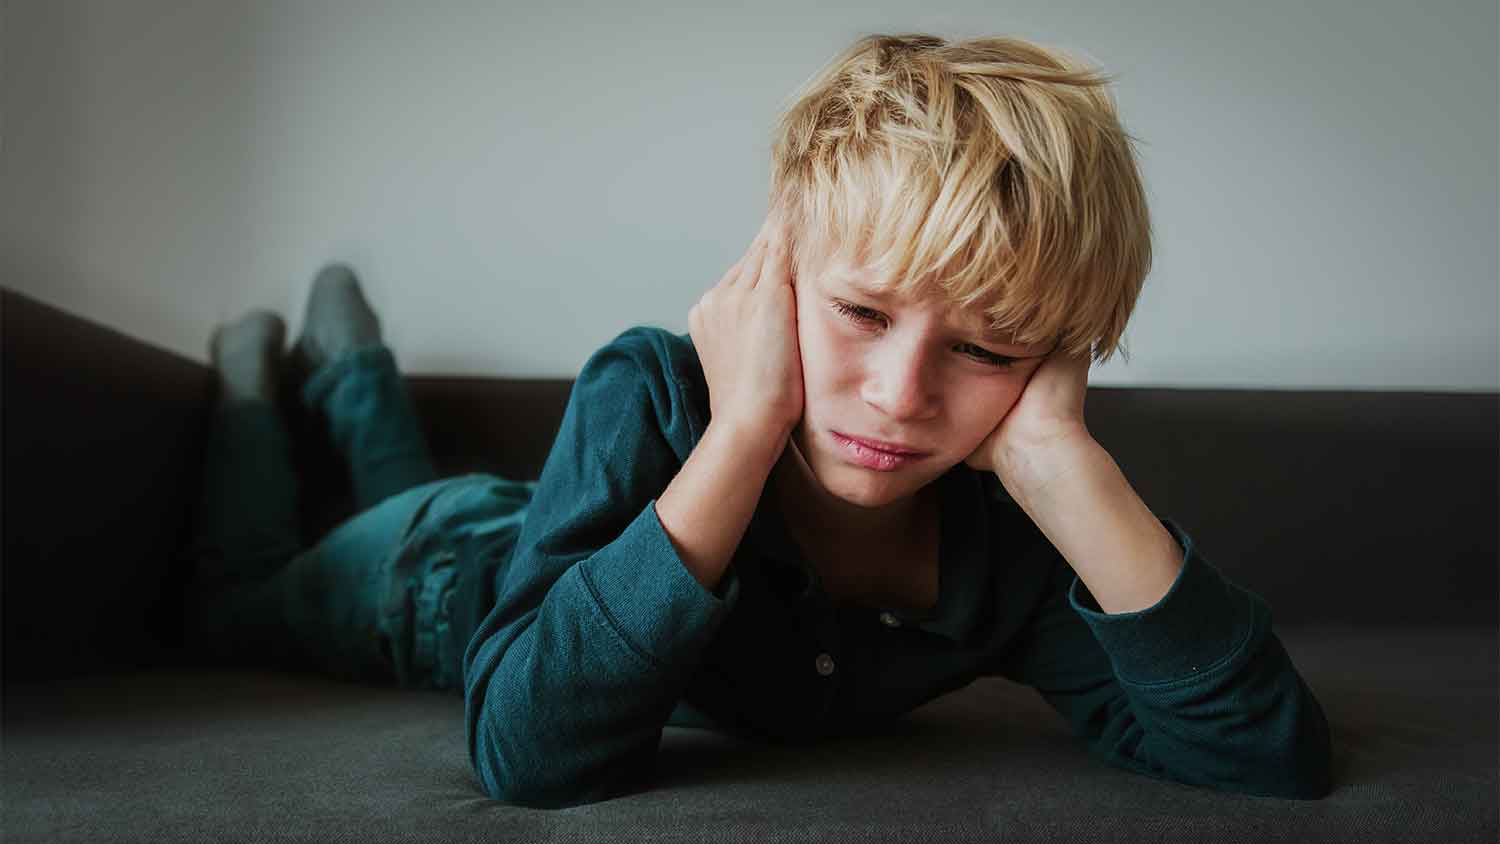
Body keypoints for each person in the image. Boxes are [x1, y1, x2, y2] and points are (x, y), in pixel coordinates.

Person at [182, 33, 1333, 809]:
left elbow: (1264, 754)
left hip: (500, 524)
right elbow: (526, 751)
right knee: (238, 593)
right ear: (776, 268)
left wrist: (1062, 464)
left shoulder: (1011, 543)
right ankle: (276, 382)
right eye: (859, 311)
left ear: (1054, 360)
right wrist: (743, 431)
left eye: (986, 350)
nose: (897, 393)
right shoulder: (650, 390)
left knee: (391, 485)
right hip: (434, 575)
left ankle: (351, 374)